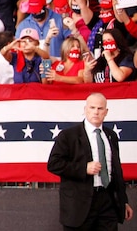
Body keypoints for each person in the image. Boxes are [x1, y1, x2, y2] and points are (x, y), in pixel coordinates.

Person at [47, 93, 133, 229]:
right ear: (85, 109)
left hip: (107, 201)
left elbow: (116, 171)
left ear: (106, 112)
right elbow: (54, 164)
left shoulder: (111, 135)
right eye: (92, 107)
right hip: (79, 204)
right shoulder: (69, 135)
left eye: (100, 108)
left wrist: (123, 201)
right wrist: (83, 168)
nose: (96, 112)